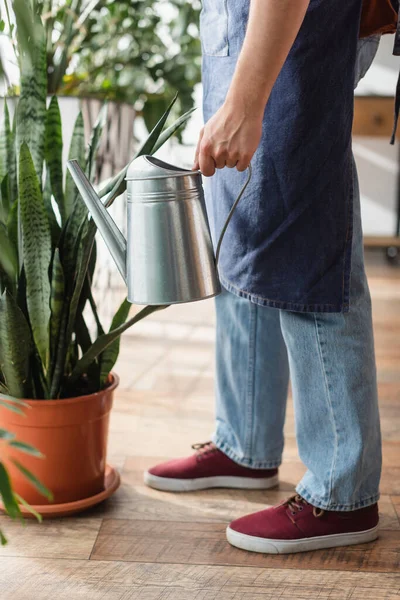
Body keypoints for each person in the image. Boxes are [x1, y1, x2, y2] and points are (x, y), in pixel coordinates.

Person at [144, 0, 386, 554]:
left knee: (305, 229)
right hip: (247, 23)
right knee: (246, 220)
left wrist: (247, 100)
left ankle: (342, 491)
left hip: (295, 24)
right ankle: (245, 443)